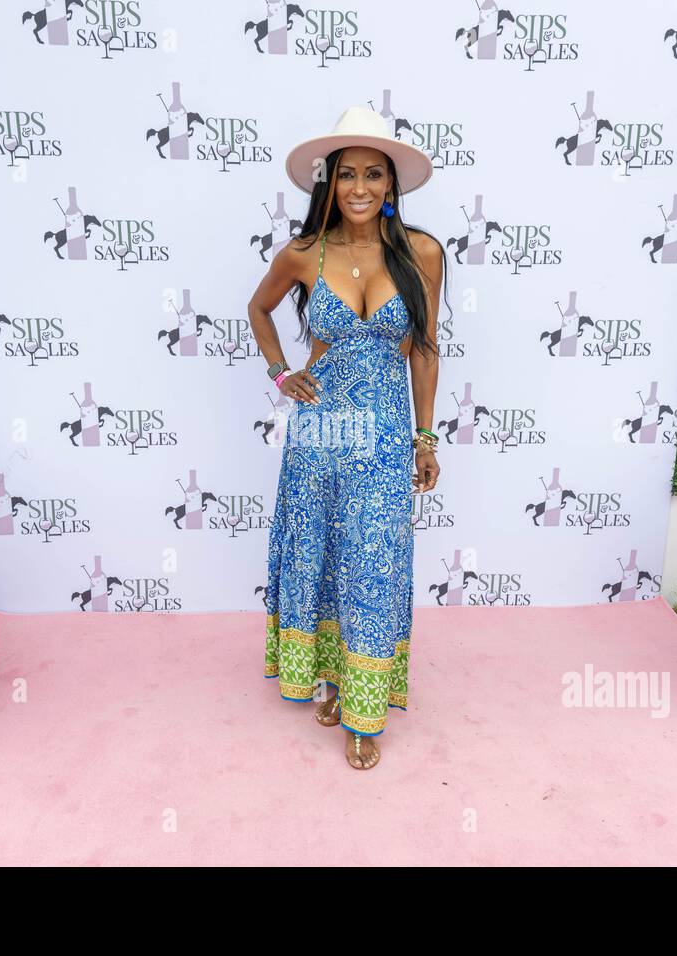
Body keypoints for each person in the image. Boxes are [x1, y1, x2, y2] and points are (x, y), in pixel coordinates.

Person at [248, 106, 447, 770]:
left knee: (374, 562)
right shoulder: (304, 253)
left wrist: (426, 439)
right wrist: (282, 373)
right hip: (321, 430)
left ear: (391, 185)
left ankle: (365, 712)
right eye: (347, 175)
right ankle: (327, 681)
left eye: (374, 175)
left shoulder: (420, 251)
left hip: (387, 434)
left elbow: (423, 349)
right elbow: (258, 308)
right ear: (327, 184)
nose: (360, 187)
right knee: (320, 550)